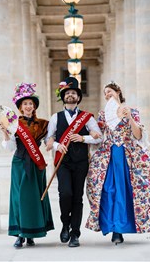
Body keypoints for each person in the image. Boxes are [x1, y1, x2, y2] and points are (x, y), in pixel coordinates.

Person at [86, 81, 150, 244]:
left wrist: (130, 118)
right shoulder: (103, 114)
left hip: (128, 155)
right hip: (108, 155)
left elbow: (138, 135)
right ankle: (111, 226)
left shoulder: (132, 111)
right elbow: (98, 135)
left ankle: (119, 230)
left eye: (110, 91)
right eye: (105, 93)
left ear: (118, 92)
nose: (107, 95)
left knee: (125, 190)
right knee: (107, 190)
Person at [45, 77, 102, 247]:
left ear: (78, 97)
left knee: (77, 197)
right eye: (67, 93)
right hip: (63, 162)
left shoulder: (87, 118)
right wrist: (57, 145)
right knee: (66, 194)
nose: (70, 95)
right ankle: (65, 225)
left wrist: (83, 138)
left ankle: (75, 233)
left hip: (81, 162)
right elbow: (49, 138)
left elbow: (98, 137)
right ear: (63, 97)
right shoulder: (56, 117)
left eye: (73, 93)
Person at [0, 83, 54, 248]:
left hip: (36, 164)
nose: (28, 106)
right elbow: (9, 147)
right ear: (20, 107)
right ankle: (20, 234)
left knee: (34, 199)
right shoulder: (13, 124)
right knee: (19, 199)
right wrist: (4, 132)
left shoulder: (43, 124)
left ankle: (32, 234)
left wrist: (55, 144)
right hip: (20, 163)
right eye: (25, 104)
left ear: (34, 106)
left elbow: (48, 142)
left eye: (31, 103)